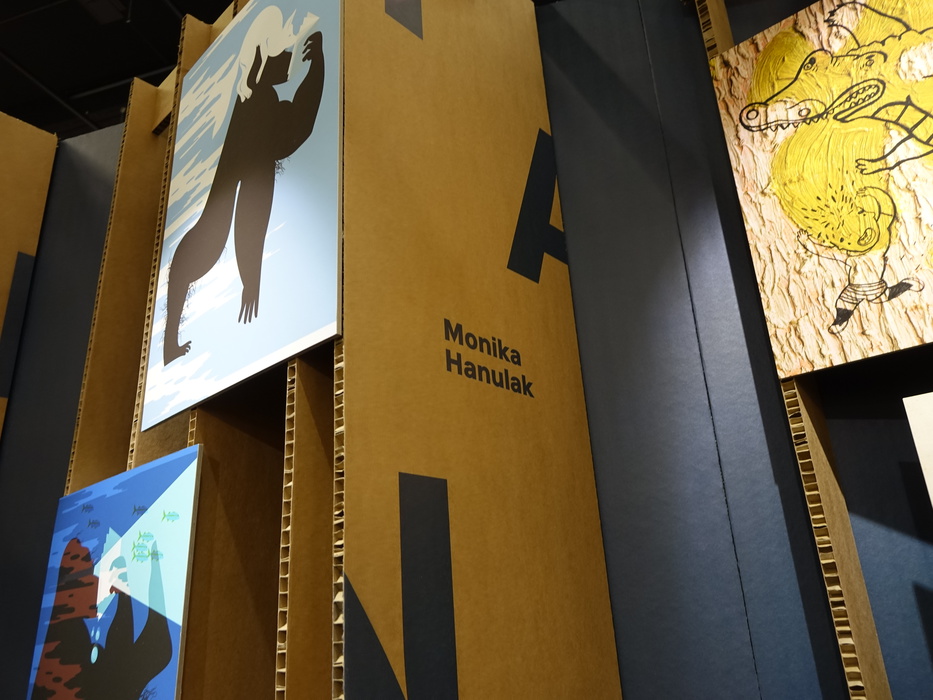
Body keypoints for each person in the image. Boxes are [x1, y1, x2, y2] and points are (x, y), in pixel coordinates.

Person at [164, 12, 325, 365]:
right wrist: (251, 278)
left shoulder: (250, 101)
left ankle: (169, 343)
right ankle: (169, 343)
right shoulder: (260, 105)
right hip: (219, 219)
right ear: (263, 59)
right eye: (281, 51)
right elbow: (253, 201)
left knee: (203, 239)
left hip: (214, 219)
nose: (288, 57)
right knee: (205, 240)